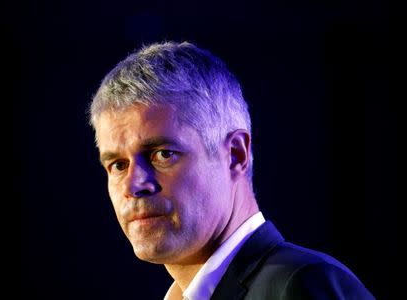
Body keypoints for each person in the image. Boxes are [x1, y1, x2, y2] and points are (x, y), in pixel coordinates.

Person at [89, 41, 375, 299]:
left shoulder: (300, 286)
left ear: (236, 154)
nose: (133, 185)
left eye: (163, 154)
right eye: (118, 165)